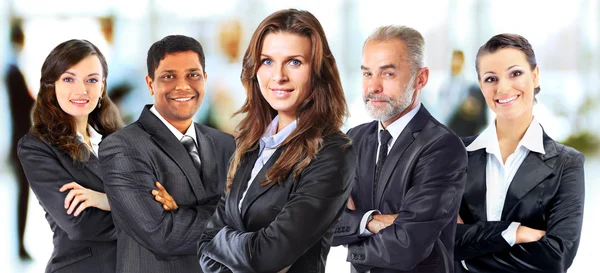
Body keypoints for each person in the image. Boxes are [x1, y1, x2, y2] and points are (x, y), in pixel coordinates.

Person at [196, 9, 355, 273]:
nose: (278, 76)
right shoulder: (249, 144)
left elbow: (268, 256)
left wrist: (222, 243)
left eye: (294, 62)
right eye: (267, 61)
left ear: (318, 72)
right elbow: (204, 244)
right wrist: (235, 246)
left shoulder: (332, 152)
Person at [331, 25, 468, 273]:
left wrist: (349, 246)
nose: (373, 87)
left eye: (388, 74)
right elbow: (325, 223)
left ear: (421, 78)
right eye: (367, 74)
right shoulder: (354, 139)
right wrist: (373, 221)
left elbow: (407, 244)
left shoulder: (442, 146)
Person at [99, 35, 235, 273]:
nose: (182, 86)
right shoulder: (122, 147)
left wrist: (181, 211)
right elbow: (164, 236)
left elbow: (254, 212)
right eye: (168, 76)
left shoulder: (225, 144)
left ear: (205, 79)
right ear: (150, 84)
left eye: (193, 75)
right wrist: (232, 216)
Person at [454, 33, 585, 273]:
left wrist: (465, 259)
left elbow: (556, 257)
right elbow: (436, 239)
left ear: (534, 76)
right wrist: (514, 233)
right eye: (491, 78)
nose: (503, 87)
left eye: (515, 73)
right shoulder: (455, 155)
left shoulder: (567, 163)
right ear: (481, 87)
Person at [17, 39, 123, 272]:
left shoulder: (120, 141)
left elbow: (164, 196)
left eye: (92, 80)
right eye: (68, 79)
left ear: (102, 87)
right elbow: (80, 225)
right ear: (51, 85)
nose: (81, 90)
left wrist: (106, 200)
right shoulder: (38, 147)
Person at [6, 18, 34, 260]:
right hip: (20, 141)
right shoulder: (12, 70)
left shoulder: (13, 69)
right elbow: (25, 105)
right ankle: (20, 246)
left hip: (19, 139)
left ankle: (21, 245)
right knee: (22, 196)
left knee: (23, 195)